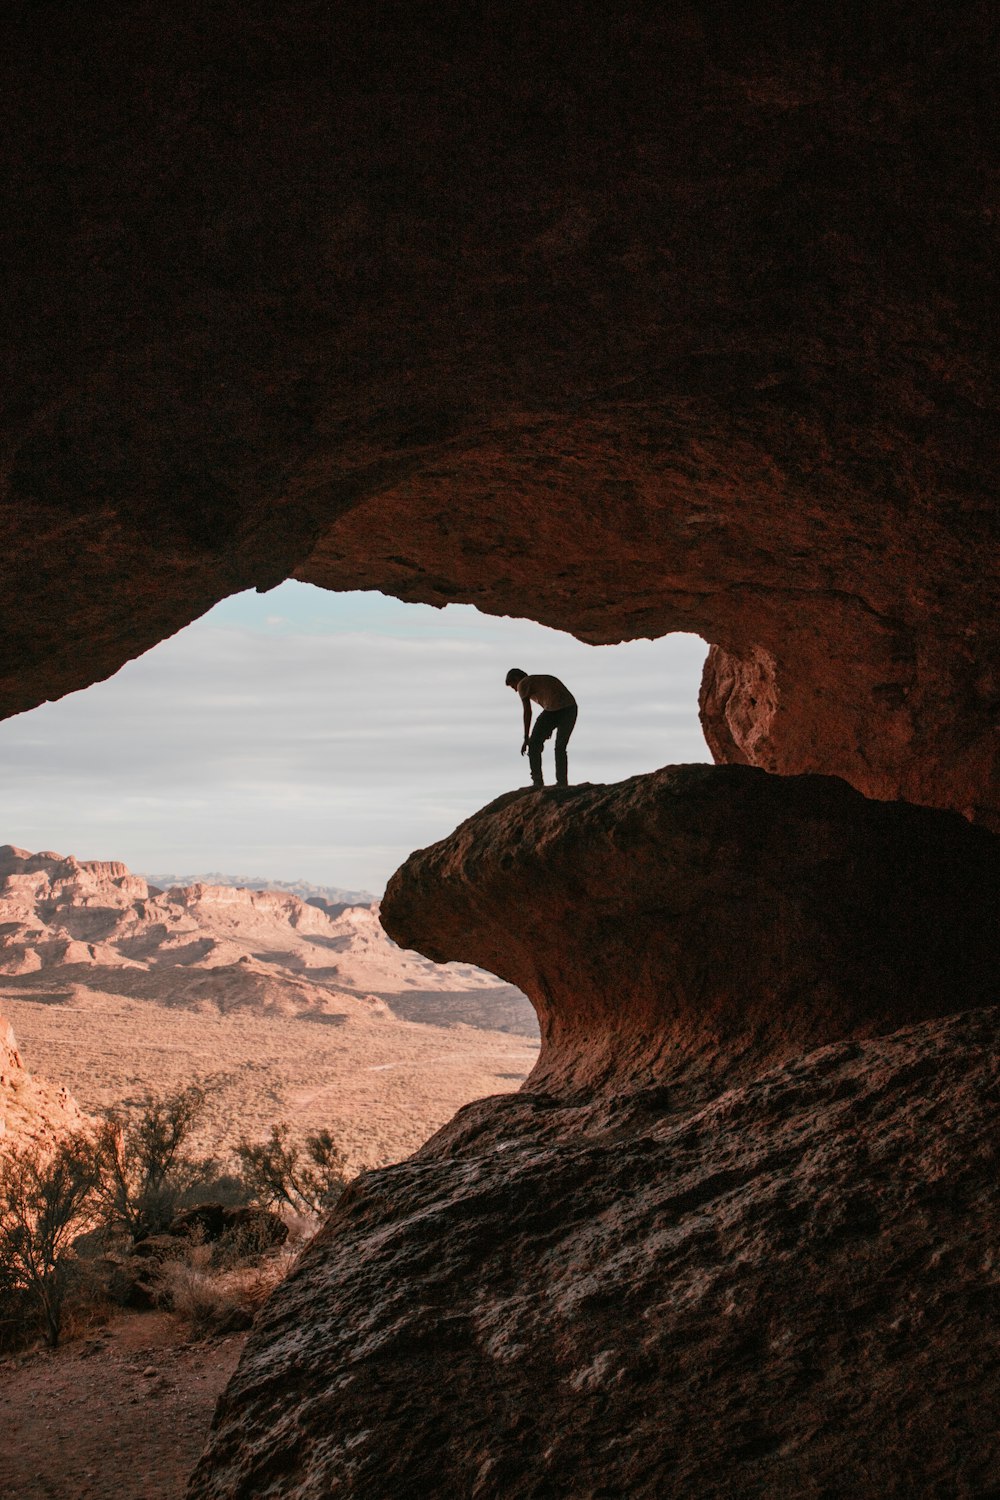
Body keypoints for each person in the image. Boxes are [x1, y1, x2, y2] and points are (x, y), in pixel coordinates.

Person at [505, 668, 578, 788]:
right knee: (560, 747)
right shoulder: (537, 679)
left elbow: (527, 712)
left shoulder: (523, 683)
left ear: (516, 679)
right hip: (571, 708)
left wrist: (526, 737)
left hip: (555, 710)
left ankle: (537, 781)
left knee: (533, 745)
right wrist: (547, 728)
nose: (515, 690)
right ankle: (562, 782)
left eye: (513, 686)